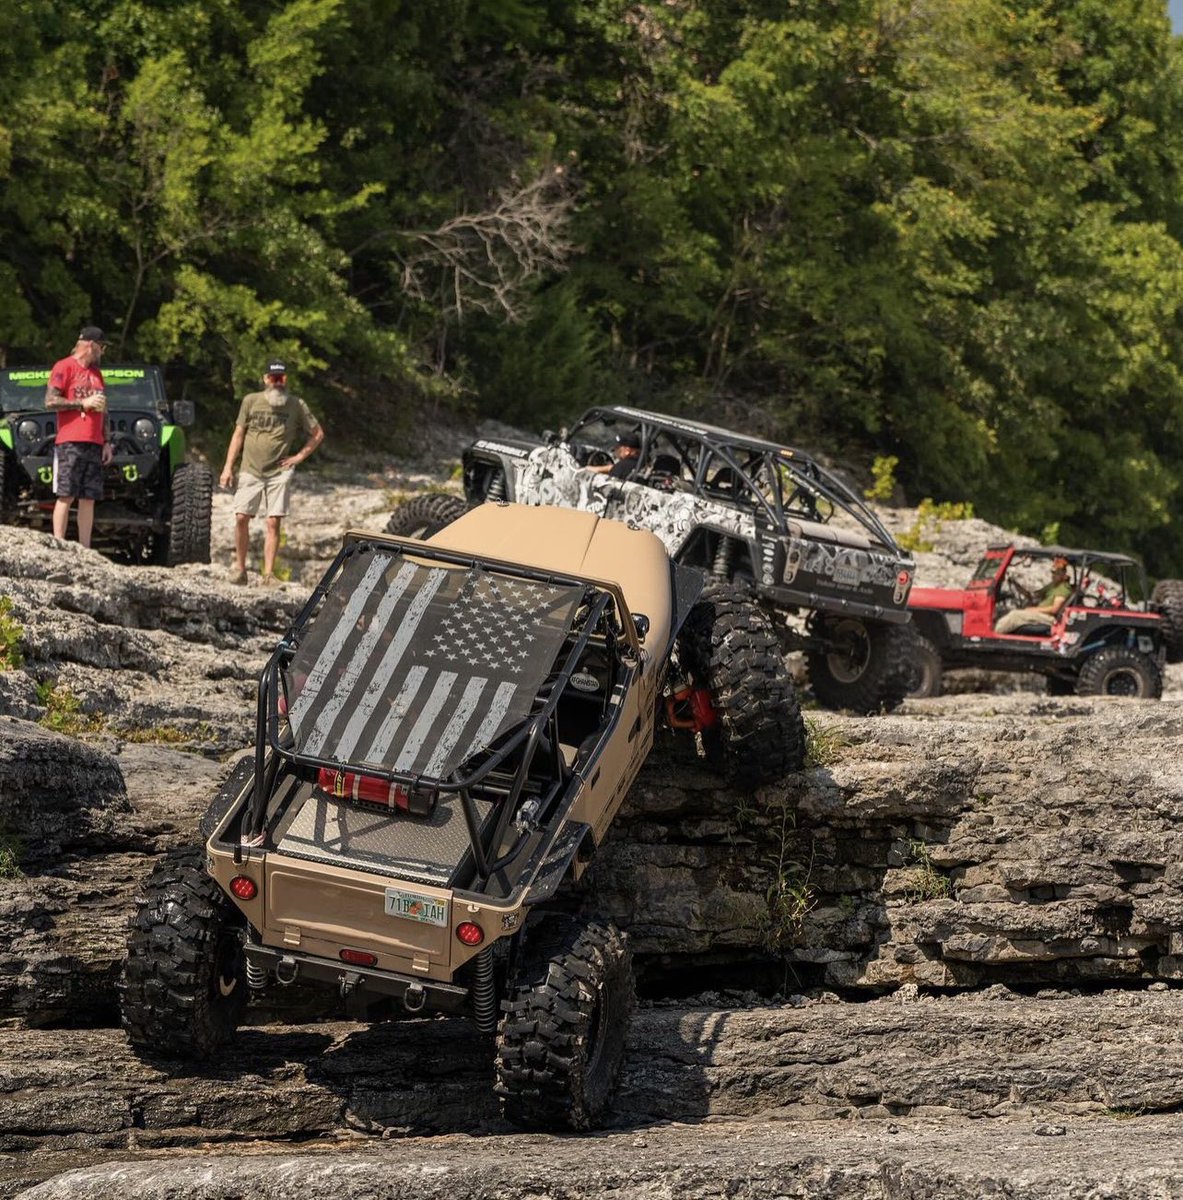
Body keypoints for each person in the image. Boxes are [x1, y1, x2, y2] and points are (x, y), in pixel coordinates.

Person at [219, 359, 324, 585]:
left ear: (285, 380)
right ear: (265, 379)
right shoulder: (251, 401)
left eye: (281, 378)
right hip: (250, 468)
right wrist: (228, 467)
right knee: (241, 517)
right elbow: (238, 434)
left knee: (273, 522)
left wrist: (299, 457)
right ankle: (240, 569)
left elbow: (317, 434)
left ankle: (268, 574)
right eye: (273, 378)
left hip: (279, 472)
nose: (277, 382)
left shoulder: (296, 405)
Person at [45, 325, 114, 549]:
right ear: (91, 345)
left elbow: (104, 409)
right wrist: (82, 403)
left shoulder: (96, 373)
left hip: (94, 441)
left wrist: (107, 441)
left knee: (89, 497)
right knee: (66, 493)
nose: (103, 352)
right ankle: (59, 542)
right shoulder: (64, 366)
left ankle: (85, 547)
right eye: (102, 347)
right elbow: (50, 401)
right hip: (70, 440)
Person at [995, 556, 1073, 634]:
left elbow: (1054, 609)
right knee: (1008, 612)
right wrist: (1016, 585)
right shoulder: (1053, 585)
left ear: (1065, 576)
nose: (1054, 575)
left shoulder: (1064, 588)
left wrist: (1033, 609)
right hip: (1041, 613)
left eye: (1057, 573)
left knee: (1015, 615)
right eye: (1054, 573)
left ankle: (994, 634)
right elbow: (1033, 595)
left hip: (1048, 617)